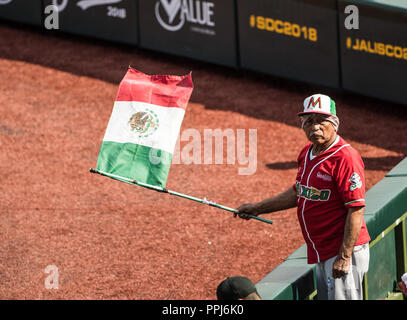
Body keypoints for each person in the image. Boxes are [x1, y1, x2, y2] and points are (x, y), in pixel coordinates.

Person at [235, 94, 371, 300]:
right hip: (323, 249)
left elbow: (356, 208)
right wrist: (257, 208)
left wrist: (344, 257)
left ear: (334, 123)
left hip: (342, 250)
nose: (315, 127)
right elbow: (299, 191)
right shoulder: (307, 152)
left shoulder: (345, 158)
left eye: (321, 121)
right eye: (309, 122)